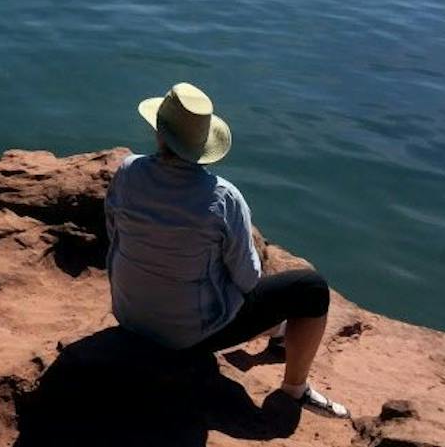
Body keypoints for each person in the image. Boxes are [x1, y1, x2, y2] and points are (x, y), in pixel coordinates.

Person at [104, 82, 349, 419]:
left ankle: (278, 331)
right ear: (202, 144)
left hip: (129, 316)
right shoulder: (222, 197)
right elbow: (249, 281)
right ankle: (295, 389)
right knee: (311, 289)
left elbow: (113, 233)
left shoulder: (127, 171)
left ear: (159, 132)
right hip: (185, 338)